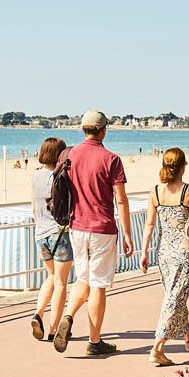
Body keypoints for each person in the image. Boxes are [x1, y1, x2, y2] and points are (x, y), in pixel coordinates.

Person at [52, 111, 133, 357]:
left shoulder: (69, 155)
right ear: (104, 130)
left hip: (77, 227)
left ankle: (67, 315)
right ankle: (94, 341)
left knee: (82, 279)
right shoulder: (111, 159)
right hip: (102, 228)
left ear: (83, 129)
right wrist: (128, 233)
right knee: (98, 285)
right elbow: (121, 199)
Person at [146, 147, 189, 366]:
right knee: (174, 297)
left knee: (176, 295)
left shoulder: (155, 191)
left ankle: (188, 336)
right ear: (183, 166)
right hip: (183, 252)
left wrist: (144, 252)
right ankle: (158, 347)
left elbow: (149, 224)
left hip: (163, 253)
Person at [28, 137, 75, 342]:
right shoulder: (60, 176)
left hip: (40, 234)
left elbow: (33, 208)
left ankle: (38, 313)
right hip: (59, 233)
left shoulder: (35, 176)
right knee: (61, 282)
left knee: (51, 276)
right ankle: (54, 329)